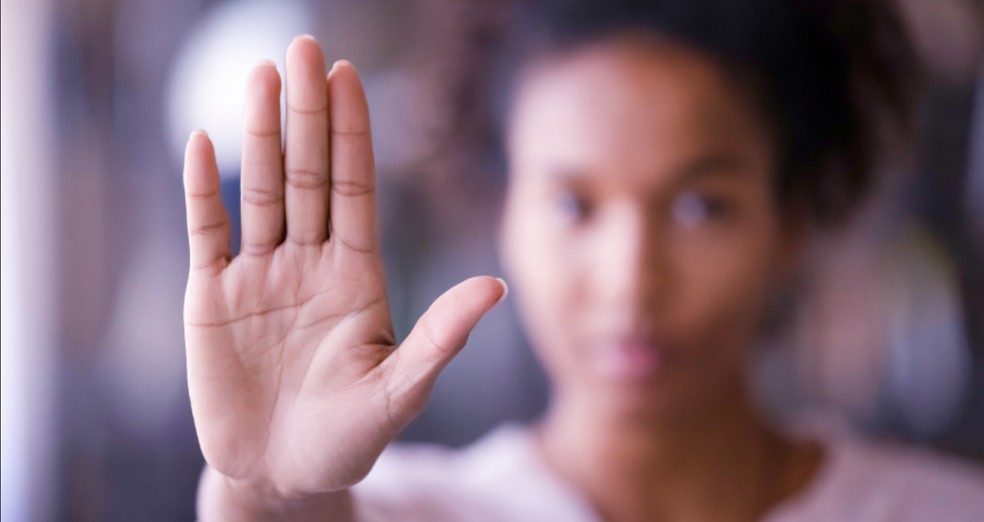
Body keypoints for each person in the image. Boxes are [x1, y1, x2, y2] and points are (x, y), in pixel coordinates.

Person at [181, 0, 984, 520]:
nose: (631, 281)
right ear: (502, 211)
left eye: (701, 206)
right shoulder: (405, 511)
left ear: (793, 220)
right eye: (573, 205)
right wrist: (268, 490)